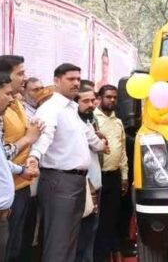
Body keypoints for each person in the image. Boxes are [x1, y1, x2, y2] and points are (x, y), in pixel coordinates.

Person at [27, 64, 107, 262]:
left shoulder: (71, 109)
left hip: (76, 182)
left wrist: (101, 144)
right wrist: (34, 156)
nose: (76, 83)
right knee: (59, 244)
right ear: (56, 81)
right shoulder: (50, 108)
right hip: (59, 181)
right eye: (70, 79)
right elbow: (44, 134)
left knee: (70, 243)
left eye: (78, 79)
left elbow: (87, 135)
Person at [0, 56, 44, 262]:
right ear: (4, 76)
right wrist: (27, 139)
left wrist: (31, 158)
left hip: (22, 184)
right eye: (20, 73)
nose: (25, 78)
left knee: (18, 247)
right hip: (5, 190)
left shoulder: (17, 103)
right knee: (3, 250)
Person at [94, 85, 127, 262]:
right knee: (97, 220)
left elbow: (122, 151)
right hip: (98, 176)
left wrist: (125, 176)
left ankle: (109, 253)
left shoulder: (118, 122)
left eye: (115, 97)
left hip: (115, 176)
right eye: (108, 97)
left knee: (112, 218)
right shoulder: (93, 120)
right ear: (100, 98)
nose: (112, 100)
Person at [75, 82, 105, 262]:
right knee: (81, 235)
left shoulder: (90, 121)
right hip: (81, 185)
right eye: (85, 101)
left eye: (93, 100)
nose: (91, 105)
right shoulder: (74, 124)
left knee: (91, 233)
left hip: (95, 183)